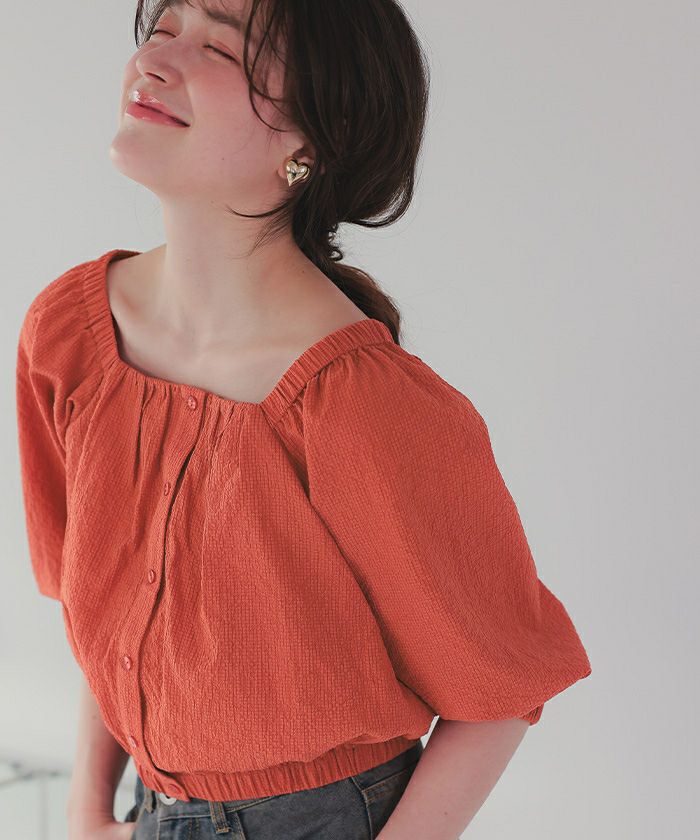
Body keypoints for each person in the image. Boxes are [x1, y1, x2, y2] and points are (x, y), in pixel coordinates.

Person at [15, 1, 592, 838]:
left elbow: (500, 692)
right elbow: (103, 609)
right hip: (151, 807)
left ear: (313, 141)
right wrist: (86, 810)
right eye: (162, 28)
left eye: (220, 48)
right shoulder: (69, 332)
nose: (156, 61)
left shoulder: (366, 406)